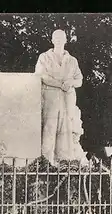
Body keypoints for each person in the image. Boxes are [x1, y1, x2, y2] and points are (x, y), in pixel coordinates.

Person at [35, 29, 86, 165]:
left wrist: (71, 83)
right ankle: (45, 162)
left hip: (67, 99)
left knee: (66, 131)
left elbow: (79, 80)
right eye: (55, 38)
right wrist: (60, 84)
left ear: (65, 40)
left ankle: (64, 163)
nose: (58, 40)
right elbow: (41, 76)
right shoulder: (44, 57)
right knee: (49, 128)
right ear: (52, 40)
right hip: (50, 99)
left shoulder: (72, 61)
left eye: (61, 37)